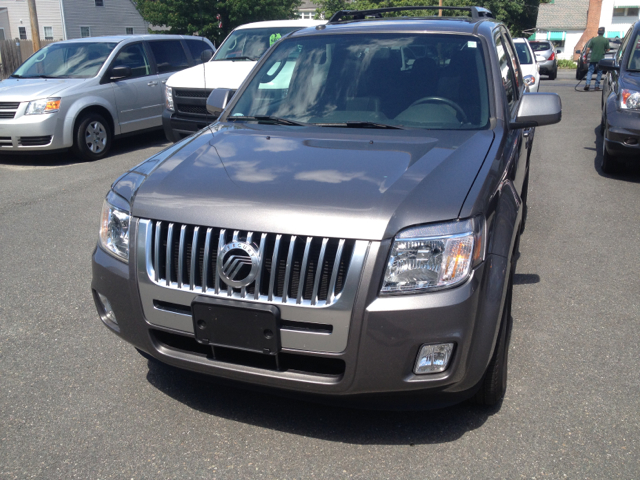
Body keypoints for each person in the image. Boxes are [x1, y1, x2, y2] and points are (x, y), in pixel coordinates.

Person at [584, 27, 610, 91]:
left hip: (593, 58)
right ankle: (597, 86)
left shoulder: (593, 40)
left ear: (598, 32)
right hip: (601, 59)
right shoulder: (605, 40)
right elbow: (608, 49)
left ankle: (587, 84)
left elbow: (588, 49)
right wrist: (604, 51)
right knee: (599, 72)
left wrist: (586, 56)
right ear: (603, 32)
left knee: (590, 71)